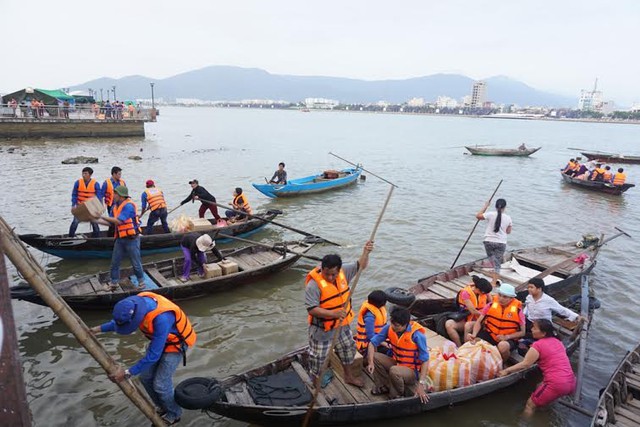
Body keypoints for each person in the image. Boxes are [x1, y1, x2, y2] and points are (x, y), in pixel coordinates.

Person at [90, 293, 196, 425]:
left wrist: (128, 373)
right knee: (145, 377)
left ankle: (174, 413)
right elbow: (118, 323)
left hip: (176, 346)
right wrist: (96, 330)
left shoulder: (161, 318)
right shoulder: (137, 308)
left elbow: (153, 355)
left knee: (161, 385)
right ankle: (163, 407)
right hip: (160, 341)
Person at [305, 241, 374, 387]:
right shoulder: (314, 285)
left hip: (342, 326)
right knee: (317, 359)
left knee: (348, 350)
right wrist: (334, 314)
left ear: (339, 270)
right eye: (327, 274)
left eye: (333, 274)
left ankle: (348, 377)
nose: (330, 277)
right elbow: (312, 309)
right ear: (321, 269)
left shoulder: (344, 272)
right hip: (322, 330)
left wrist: (366, 252)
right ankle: (316, 384)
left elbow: (360, 265)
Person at [497, 319, 576, 418]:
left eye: (535, 328)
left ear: (543, 333)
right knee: (540, 385)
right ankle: (544, 408)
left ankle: (524, 422)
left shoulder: (537, 345)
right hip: (571, 381)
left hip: (556, 384)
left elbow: (525, 364)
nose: (532, 330)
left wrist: (506, 370)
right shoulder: (557, 341)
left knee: (530, 404)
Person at [366, 307, 430, 403]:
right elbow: (372, 343)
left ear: (405, 325)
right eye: (392, 323)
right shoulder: (389, 328)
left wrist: (421, 384)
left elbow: (425, 360)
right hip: (397, 362)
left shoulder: (417, 335)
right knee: (374, 356)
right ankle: (384, 385)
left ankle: (397, 394)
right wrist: (370, 362)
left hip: (412, 371)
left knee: (394, 370)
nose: (393, 327)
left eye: (397, 325)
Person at [101, 186, 145, 289]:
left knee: (136, 263)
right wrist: (95, 219)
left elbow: (119, 221)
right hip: (120, 239)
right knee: (114, 262)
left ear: (121, 196)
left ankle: (141, 282)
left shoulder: (128, 206)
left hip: (132, 239)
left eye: (115, 194)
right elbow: (110, 222)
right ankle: (114, 282)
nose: (113, 195)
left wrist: (101, 216)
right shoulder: (114, 207)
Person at [467, 283, 525, 361]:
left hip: (507, 338)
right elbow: (478, 322)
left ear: (511, 298)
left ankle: (501, 364)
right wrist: (474, 334)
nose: (501, 298)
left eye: (505, 297)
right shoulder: (490, 305)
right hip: (491, 334)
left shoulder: (518, 311)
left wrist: (506, 337)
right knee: (473, 342)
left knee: (502, 346)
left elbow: (522, 332)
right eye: (500, 295)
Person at [444, 275, 492, 347]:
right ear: (479, 290)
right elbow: (473, 311)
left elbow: (492, 303)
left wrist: (485, 317)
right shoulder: (466, 293)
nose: (486, 294)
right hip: (468, 318)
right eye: (485, 293)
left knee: (468, 325)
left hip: (480, 320)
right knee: (449, 324)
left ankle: (466, 347)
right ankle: (459, 346)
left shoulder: (485, 292)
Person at [476, 198, 512, 287]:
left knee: (491, 258)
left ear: (495, 206)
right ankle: (494, 281)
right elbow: (508, 232)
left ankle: (494, 269)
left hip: (488, 241)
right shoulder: (508, 218)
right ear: (505, 207)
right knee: (497, 263)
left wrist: (486, 206)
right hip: (501, 243)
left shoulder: (490, 214)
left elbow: (478, 216)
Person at [69, 167, 101, 238]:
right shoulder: (78, 183)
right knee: (75, 222)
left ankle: (97, 238)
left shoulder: (95, 184)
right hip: (80, 207)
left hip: (91, 207)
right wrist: (73, 204)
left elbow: (99, 197)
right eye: (83, 173)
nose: (83, 175)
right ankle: (70, 237)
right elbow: (74, 194)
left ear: (90, 174)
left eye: (85, 173)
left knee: (94, 223)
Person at [354, 290, 388, 356]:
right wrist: (384, 343)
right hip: (368, 344)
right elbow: (370, 336)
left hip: (378, 339)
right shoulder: (370, 316)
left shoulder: (378, 309)